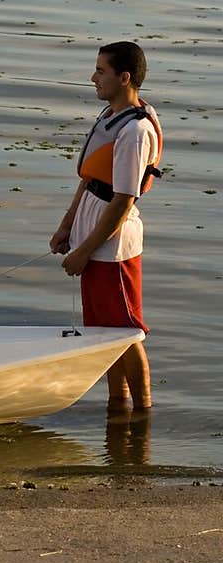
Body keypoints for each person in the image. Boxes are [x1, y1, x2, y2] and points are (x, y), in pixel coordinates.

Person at [50, 41, 162, 410]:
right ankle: (117, 410)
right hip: (89, 231)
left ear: (124, 77)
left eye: (101, 71)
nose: (93, 77)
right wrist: (68, 226)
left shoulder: (134, 131)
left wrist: (84, 252)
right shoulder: (109, 116)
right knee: (102, 335)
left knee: (125, 333)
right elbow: (90, 178)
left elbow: (123, 199)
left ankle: (142, 415)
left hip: (113, 247)